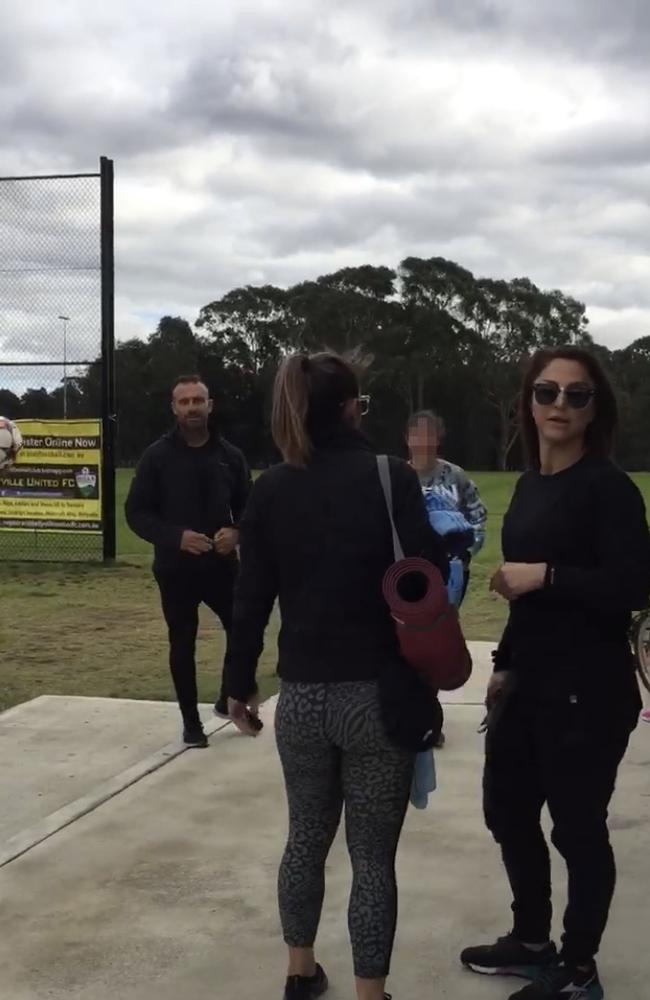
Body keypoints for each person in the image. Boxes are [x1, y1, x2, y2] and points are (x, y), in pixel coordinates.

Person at [222, 352, 448, 1000]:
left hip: (304, 698)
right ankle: (370, 992)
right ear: (352, 408)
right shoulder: (388, 476)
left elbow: (251, 598)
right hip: (377, 693)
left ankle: (299, 971)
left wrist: (238, 683)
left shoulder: (269, 488)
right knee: (372, 858)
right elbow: (425, 573)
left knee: (304, 840)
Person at [460, 346, 650, 1000]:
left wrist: (544, 575)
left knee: (576, 827)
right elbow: (525, 601)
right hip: (531, 682)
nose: (560, 406)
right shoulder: (530, 485)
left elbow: (634, 584)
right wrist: (504, 665)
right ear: (530, 402)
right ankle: (532, 939)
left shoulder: (607, 488)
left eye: (577, 395)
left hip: (589, 690)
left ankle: (578, 968)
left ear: (597, 408)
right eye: (547, 393)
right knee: (506, 811)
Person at [125, 375, 252, 748]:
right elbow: (136, 512)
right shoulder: (157, 457)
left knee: (244, 630)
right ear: (174, 408)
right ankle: (191, 723)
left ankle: (227, 698)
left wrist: (237, 531)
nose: (192, 407)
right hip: (175, 569)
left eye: (199, 400)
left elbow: (251, 507)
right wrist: (175, 537)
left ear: (211, 405)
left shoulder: (230, 456)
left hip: (221, 565)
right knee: (183, 642)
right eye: (185, 402)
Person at [407, 409, 487, 746]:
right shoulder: (398, 477)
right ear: (407, 438)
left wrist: (467, 553)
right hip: (408, 578)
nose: (423, 441)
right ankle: (413, 712)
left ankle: (429, 718)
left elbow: (478, 518)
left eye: (430, 434)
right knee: (407, 644)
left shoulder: (456, 478)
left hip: (450, 576)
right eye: (417, 434)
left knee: (436, 643)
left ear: (438, 438)